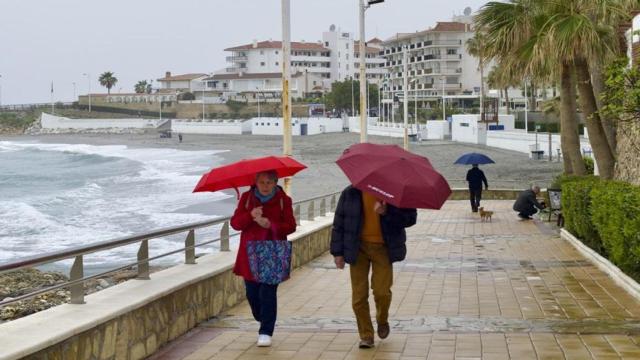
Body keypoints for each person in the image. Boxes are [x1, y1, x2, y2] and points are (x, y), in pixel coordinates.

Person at [330, 186, 417, 349]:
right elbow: (339, 223)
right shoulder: (350, 193)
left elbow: (410, 218)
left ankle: (382, 320)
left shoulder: (394, 192)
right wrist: (337, 253)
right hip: (358, 248)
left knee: (382, 291)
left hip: (383, 248)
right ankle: (366, 335)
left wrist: (387, 213)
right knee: (359, 296)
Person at [230, 170, 296, 347]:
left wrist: (270, 225)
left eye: (269, 182)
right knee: (252, 294)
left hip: (272, 252)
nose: (265, 186)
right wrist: (250, 215)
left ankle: (266, 331)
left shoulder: (284, 200)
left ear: (276, 182)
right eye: (262, 182)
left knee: (267, 293)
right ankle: (262, 318)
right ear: (256, 182)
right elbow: (235, 223)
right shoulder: (247, 198)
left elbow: (291, 226)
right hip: (250, 254)